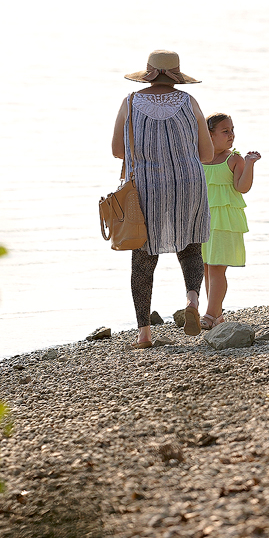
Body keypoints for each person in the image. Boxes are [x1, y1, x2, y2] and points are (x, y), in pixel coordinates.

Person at [112, 49, 214, 349]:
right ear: (176, 75)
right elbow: (207, 155)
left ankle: (144, 334)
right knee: (191, 247)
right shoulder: (189, 102)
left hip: (146, 189)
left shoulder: (130, 102)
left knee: (143, 261)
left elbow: (118, 149)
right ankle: (192, 301)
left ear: (148, 73)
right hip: (189, 183)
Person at [201, 113, 261, 330]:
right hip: (203, 219)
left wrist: (250, 164)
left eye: (232, 130)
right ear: (210, 135)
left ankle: (208, 314)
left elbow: (242, 188)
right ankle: (216, 316)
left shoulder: (234, 159)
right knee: (206, 268)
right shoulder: (199, 158)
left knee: (217, 268)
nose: (231, 135)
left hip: (226, 220)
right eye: (225, 131)